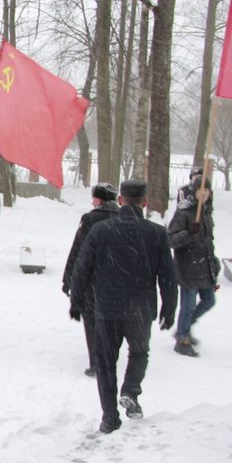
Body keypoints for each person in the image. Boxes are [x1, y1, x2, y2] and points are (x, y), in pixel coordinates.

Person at [70, 179, 177, 434]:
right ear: (145, 202)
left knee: (105, 361)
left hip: (106, 306)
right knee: (139, 352)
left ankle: (109, 416)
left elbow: (82, 267)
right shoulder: (157, 233)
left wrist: (76, 299)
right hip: (140, 308)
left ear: (119, 201)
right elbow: (168, 277)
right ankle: (130, 390)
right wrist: (169, 309)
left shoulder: (101, 230)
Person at [61, 183, 120, 375]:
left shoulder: (90, 219)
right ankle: (110, 356)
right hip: (116, 279)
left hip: (92, 278)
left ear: (100, 200)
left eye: (94, 197)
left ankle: (96, 362)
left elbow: (78, 250)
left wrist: (68, 278)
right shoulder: (122, 218)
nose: (92, 200)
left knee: (92, 320)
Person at [167, 174, 219, 357]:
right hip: (187, 267)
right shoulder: (184, 212)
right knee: (187, 306)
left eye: (207, 190)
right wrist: (189, 233)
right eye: (201, 190)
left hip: (204, 266)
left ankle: (185, 327)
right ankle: (182, 339)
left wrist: (214, 263)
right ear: (194, 191)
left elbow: (208, 242)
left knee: (209, 300)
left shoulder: (206, 212)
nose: (204, 193)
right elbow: (171, 240)